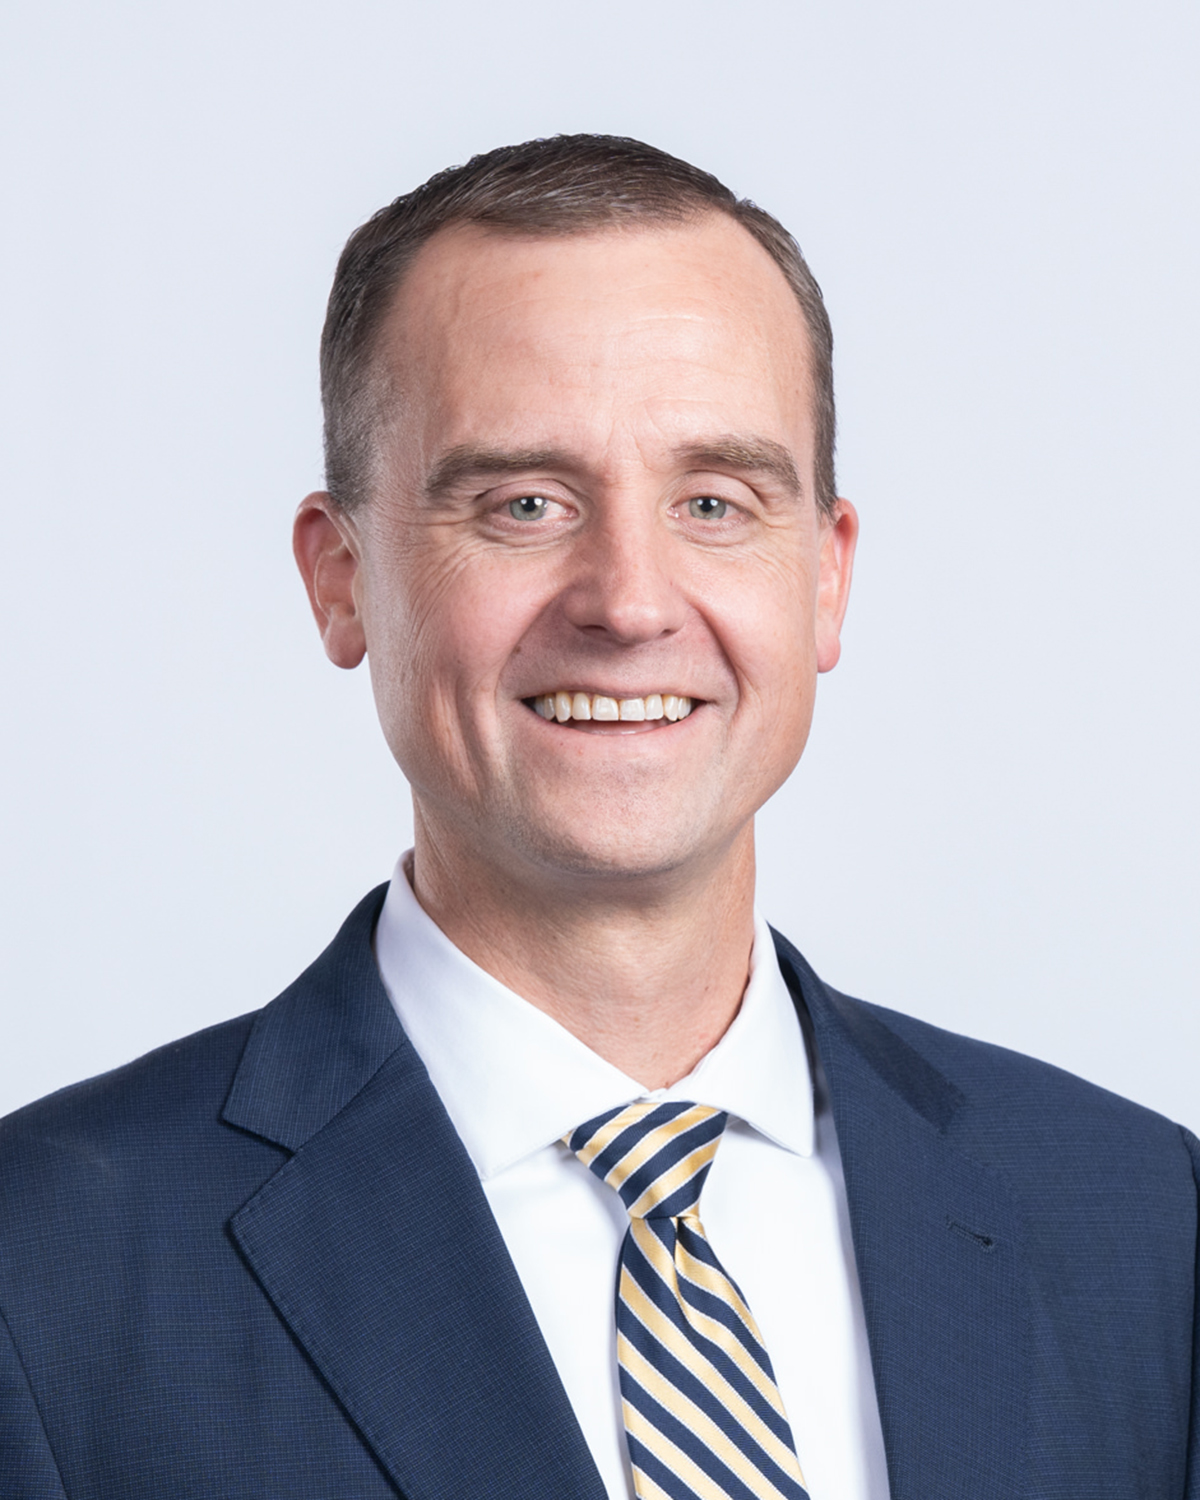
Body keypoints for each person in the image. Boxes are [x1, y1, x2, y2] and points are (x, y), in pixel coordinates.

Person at [0, 135, 1195, 1500]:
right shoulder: (45, 1274)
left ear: (825, 579)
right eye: (523, 504)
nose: (628, 601)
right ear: (341, 581)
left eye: (713, 502)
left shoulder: (1142, 1225)